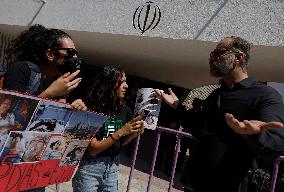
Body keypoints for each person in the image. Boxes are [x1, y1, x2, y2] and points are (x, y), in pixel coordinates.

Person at [156, 36, 284, 192]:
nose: (211, 58)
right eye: (211, 54)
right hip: (195, 184)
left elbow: (277, 144)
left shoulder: (264, 95)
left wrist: (251, 134)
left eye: (218, 53)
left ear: (238, 57)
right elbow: (199, 127)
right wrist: (177, 106)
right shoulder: (216, 94)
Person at [2, 24, 87, 192]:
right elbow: (7, 118)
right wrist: (49, 93)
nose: (75, 57)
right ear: (50, 54)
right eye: (70, 53)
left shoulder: (59, 82)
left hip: (34, 162)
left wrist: (74, 111)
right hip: (8, 159)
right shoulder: (22, 70)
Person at [72, 66, 144, 192]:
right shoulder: (92, 108)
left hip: (113, 167)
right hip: (90, 168)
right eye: (121, 82)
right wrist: (121, 132)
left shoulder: (125, 110)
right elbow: (93, 149)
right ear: (109, 83)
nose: (126, 86)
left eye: (126, 81)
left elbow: (119, 143)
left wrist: (134, 133)